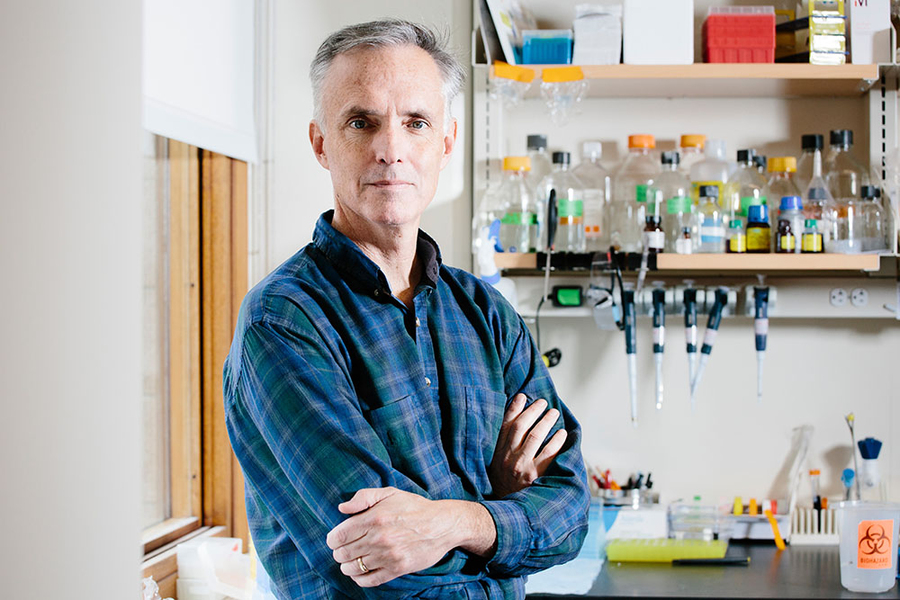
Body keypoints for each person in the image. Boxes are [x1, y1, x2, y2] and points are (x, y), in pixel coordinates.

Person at [223, 19, 590, 599]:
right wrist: (499, 510)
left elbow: (571, 512)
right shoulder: (284, 324)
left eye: (415, 122)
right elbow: (384, 567)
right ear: (321, 143)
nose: (391, 149)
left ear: (445, 142)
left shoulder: (486, 314)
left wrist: (460, 523)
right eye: (361, 122)